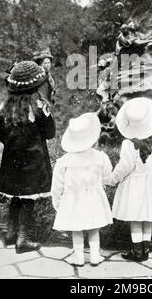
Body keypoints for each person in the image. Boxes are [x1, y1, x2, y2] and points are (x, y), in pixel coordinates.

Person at [0, 61, 55, 254]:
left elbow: (0, 133)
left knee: (15, 195)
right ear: (36, 86)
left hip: (12, 158)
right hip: (33, 159)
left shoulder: (4, 106)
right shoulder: (38, 106)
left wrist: (13, 143)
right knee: (28, 197)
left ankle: (10, 234)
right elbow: (50, 132)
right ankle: (23, 239)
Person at [109, 97, 152, 262]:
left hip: (135, 185)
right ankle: (145, 249)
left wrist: (113, 178)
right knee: (147, 216)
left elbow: (125, 166)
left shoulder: (129, 145)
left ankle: (136, 250)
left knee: (136, 217)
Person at [51, 113, 113, 267]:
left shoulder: (64, 162)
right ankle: (94, 255)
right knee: (93, 227)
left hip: (73, 199)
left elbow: (57, 184)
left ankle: (78, 257)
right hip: (93, 196)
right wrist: (101, 183)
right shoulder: (100, 157)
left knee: (76, 228)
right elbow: (107, 177)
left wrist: (57, 200)